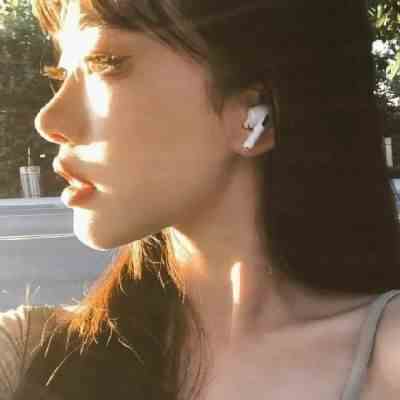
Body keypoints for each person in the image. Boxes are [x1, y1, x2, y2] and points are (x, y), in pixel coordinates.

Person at [1, 0, 400, 399]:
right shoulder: (29, 351)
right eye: (62, 75)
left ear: (256, 111)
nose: (48, 121)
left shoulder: (387, 358)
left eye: (105, 62)